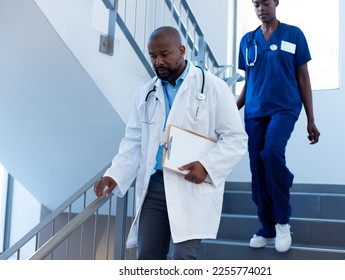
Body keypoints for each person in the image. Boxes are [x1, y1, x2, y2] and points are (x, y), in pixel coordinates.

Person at [94, 26, 248, 260]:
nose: (158, 62)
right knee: (147, 256)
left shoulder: (214, 87)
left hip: (189, 183)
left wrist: (207, 166)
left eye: (164, 54)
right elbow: (134, 140)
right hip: (154, 186)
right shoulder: (146, 94)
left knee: (182, 257)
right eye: (153, 56)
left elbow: (236, 138)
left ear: (182, 50)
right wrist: (115, 173)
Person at [236, 0, 320, 253]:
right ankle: (267, 227)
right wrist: (231, 110)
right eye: (256, 4)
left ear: (276, 3)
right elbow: (249, 81)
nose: (261, 8)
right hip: (254, 112)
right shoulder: (247, 41)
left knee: (271, 153)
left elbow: (303, 77)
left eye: (266, 2)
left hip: (284, 108)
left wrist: (311, 118)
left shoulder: (294, 34)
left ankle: (283, 222)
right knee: (258, 167)